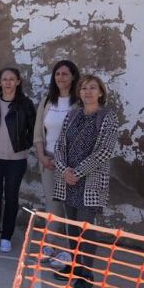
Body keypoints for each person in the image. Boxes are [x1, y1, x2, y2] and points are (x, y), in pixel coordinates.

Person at [52, 75, 118, 288]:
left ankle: (86, 274)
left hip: (89, 183)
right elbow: (60, 145)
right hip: (68, 181)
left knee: (86, 230)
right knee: (72, 227)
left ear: (100, 92)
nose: (87, 91)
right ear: (79, 93)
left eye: (92, 88)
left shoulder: (107, 117)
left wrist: (77, 172)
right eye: (83, 88)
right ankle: (74, 266)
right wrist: (64, 171)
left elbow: (105, 151)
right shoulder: (73, 114)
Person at [0, 68, 36, 253]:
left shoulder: (25, 104)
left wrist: (24, 145)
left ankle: (6, 236)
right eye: (4, 79)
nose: (8, 82)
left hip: (16, 159)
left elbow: (34, 129)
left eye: (12, 79)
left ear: (18, 82)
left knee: (11, 197)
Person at [34, 60, 80, 266]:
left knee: (69, 208)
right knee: (52, 206)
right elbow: (38, 133)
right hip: (48, 160)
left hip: (71, 164)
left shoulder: (79, 103)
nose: (61, 77)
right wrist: (42, 157)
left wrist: (66, 163)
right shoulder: (47, 101)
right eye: (57, 74)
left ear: (73, 77)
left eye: (65, 74)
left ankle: (68, 251)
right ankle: (49, 244)